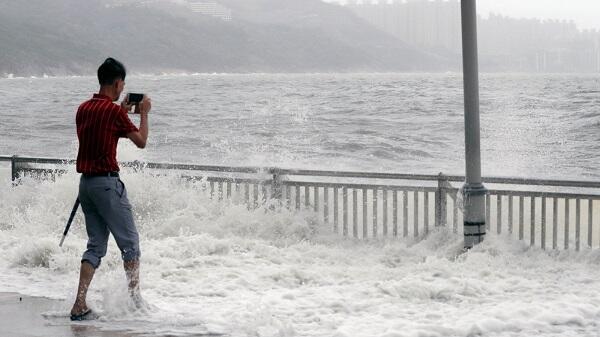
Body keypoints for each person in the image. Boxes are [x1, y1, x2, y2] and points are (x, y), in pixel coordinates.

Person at [70, 57, 151, 321]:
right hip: (107, 184)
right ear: (118, 84)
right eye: (122, 84)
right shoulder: (114, 112)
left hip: (86, 186)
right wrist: (145, 113)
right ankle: (135, 302)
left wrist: (122, 111)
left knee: (95, 246)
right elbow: (140, 142)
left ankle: (79, 303)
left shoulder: (83, 108)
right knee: (131, 245)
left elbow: (102, 132)